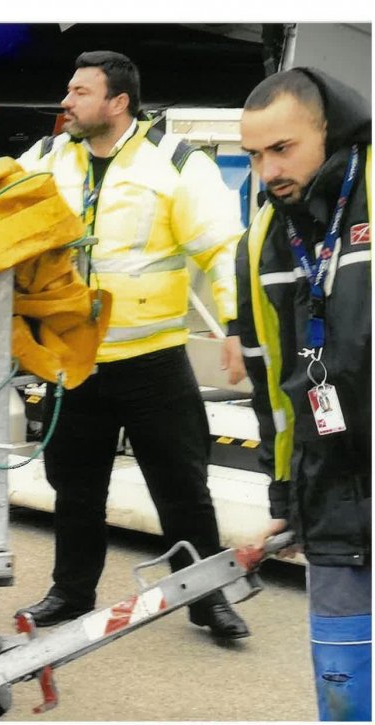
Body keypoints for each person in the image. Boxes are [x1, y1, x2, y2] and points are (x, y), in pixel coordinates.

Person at [14, 50, 249, 639]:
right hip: (74, 358)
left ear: (118, 103)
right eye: (69, 90)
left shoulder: (176, 164)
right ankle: (70, 592)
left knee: (182, 488)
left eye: (80, 92)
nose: (66, 102)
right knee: (74, 488)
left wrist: (236, 325)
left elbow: (222, 248)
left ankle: (206, 599)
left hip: (152, 361)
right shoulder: (45, 159)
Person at [236, 68, 371, 721]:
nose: (268, 171)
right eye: (254, 155)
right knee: (347, 697)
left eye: (282, 149)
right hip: (331, 502)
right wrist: (284, 494)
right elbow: (274, 389)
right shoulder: (263, 241)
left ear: (329, 132)